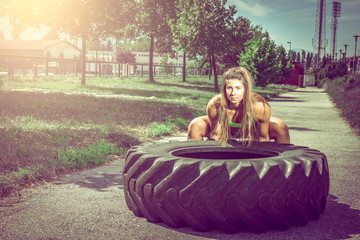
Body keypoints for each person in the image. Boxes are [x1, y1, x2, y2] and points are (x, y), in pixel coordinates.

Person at [187, 66, 290, 146]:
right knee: (195, 125)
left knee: (280, 126)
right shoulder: (215, 105)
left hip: (251, 129)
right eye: (229, 88)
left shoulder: (259, 107)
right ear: (224, 89)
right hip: (225, 129)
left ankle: (283, 170)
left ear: (245, 89)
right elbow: (216, 137)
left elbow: (263, 139)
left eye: (238, 88)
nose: (233, 93)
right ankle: (195, 167)